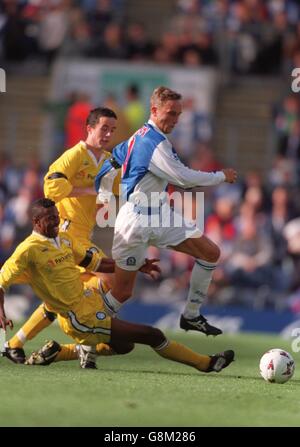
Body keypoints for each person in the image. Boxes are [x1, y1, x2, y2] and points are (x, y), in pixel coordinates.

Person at [0, 199, 235, 374]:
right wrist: (1, 313)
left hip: (87, 299)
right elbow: (1, 281)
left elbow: (95, 262)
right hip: (78, 317)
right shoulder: (27, 250)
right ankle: (206, 363)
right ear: (36, 222)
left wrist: (136, 265)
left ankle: (60, 351)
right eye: (50, 219)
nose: (56, 221)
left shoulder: (62, 239)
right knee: (152, 335)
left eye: (56, 216)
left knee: (125, 345)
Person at [95, 86, 237, 335]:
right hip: (135, 221)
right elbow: (183, 178)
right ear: (154, 110)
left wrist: (105, 191)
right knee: (122, 292)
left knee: (210, 253)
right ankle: (88, 331)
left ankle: (191, 315)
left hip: (159, 214)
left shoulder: (139, 137)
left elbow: (110, 164)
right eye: (170, 113)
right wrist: (220, 176)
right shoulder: (153, 143)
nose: (174, 120)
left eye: (178, 115)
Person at [4, 107, 121, 364]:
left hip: (82, 235)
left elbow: (122, 186)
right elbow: (52, 186)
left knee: (67, 296)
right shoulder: (76, 155)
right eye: (104, 128)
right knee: (108, 279)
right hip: (66, 234)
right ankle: (85, 348)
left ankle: (15, 343)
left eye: (112, 130)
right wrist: (91, 191)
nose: (108, 134)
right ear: (89, 128)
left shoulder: (109, 160)